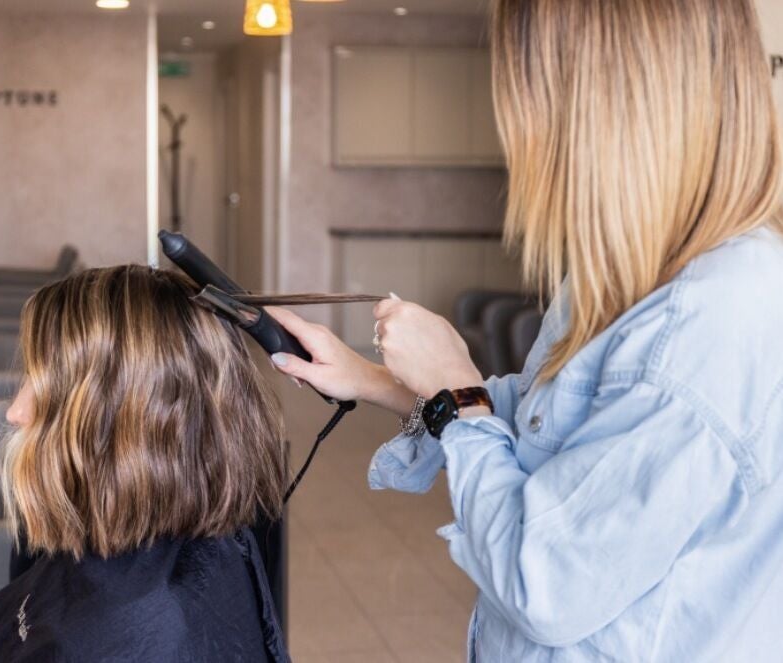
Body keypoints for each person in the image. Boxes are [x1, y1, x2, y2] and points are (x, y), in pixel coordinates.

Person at [268, 0, 783, 660]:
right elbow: (550, 420)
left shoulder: (709, 330)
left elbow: (545, 582)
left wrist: (457, 387)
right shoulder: (637, 268)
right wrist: (376, 380)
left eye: (534, 107)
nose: (522, 143)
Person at [0, 265, 290, 663]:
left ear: (121, 422)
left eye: (45, 386)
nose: (15, 411)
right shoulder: (155, 571)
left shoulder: (149, 634)